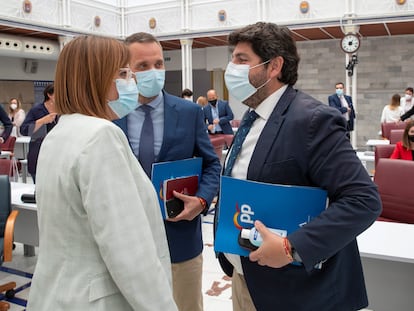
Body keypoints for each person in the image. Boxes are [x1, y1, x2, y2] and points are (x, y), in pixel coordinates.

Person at [215, 22, 381, 311]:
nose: (232, 67)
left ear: (274, 66)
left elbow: (363, 200)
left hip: (296, 291)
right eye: (232, 58)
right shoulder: (251, 120)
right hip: (246, 280)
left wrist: (291, 248)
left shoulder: (313, 120)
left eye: (242, 59)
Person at [26, 35, 178, 311]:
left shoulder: (60, 132)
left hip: (59, 293)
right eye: (122, 73)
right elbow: (128, 251)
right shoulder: (101, 135)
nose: (130, 82)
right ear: (96, 78)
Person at [113, 32, 221, 311]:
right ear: (125, 71)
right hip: (126, 242)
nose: (154, 72)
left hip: (180, 240)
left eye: (159, 64)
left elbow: (211, 164)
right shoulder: (112, 116)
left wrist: (201, 200)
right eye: (143, 66)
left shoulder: (188, 112)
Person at [20, 84, 57, 183]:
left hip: (57, 156)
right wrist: (42, 121)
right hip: (38, 155)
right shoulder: (36, 110)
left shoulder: (64, 111)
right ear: (49, 95)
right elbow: (24, 130)